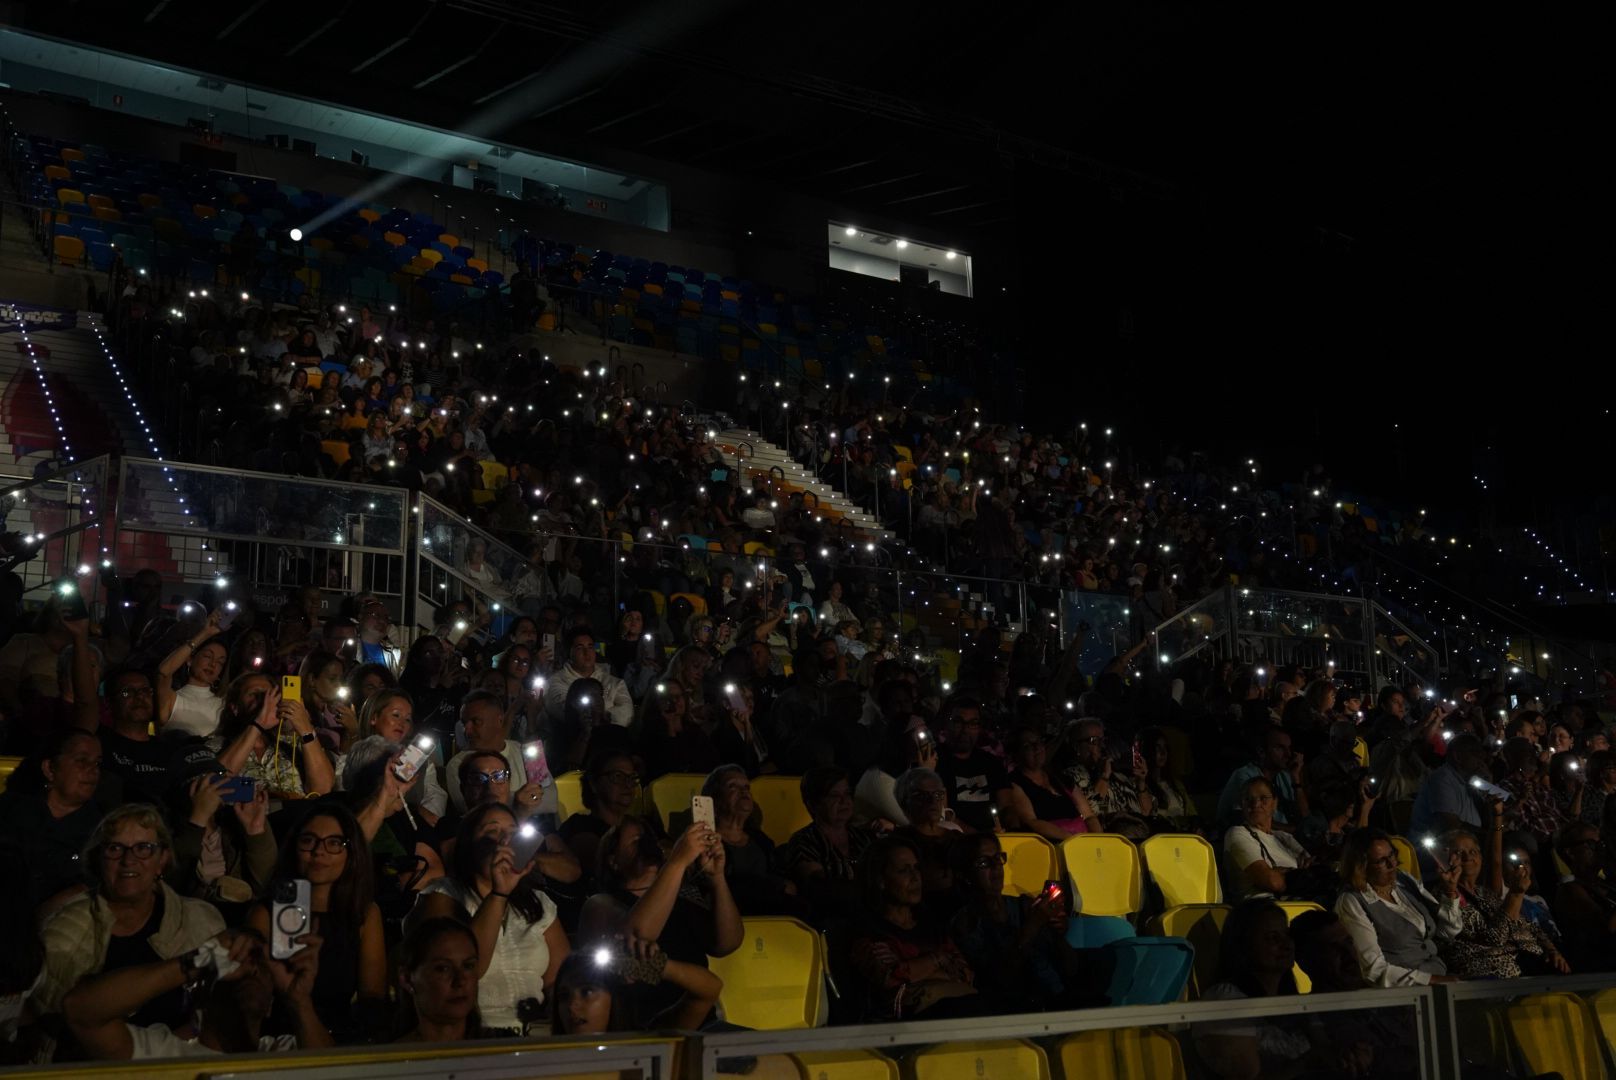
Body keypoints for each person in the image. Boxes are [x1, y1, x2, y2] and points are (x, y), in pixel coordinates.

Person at [34, 804, 226, 1022]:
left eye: (143, 848)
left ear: (162, 859)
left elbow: (218, 1013)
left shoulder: (202, 923)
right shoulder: (64, 930)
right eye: (115, 848)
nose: (128, 860)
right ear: (99, 858)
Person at [407, 803, 570, 1035]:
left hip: (534, 1033)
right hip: (476, 1033)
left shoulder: (538, 902)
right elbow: (469, 969)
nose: (504, 841)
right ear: (469, 844)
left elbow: (559, 980)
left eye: (513, 833)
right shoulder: (443, 895)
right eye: (492, 832)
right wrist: (498, 894)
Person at [63, 927, 330, 1058]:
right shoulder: (163, 1053)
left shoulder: (286, 1052)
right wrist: (194, 963)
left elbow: (338, 1074)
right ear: (200, 993)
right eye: (233, 962)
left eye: (261, 964)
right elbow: (80, 1010)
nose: (251, 971)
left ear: (271, 1005)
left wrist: (299, 1001)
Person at [245, 804, 386, 1041]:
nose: (319, 852)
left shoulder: (365, 914)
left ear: (351, 852)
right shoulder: (266, 913)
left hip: (339, 1041)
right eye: (309, 841)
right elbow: (251, 995)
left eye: (334, 843)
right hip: (276, 1039)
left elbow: (372, 997)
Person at [579, 818, 741, 1024]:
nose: (646, 845)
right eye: (636, 840)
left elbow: (728, 943)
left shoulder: (682, 901)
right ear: (613, 860)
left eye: (649, 840)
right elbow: (638, 937)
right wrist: (678, 862)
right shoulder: (601, 904)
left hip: (698, 1020)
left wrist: (717, 879)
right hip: (645, 1026)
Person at [1193, 899, 1367, 1080]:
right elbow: (1248, 1076)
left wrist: (1350, 1057)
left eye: (1287, 935)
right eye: (1272, 938)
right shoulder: (1224, 1000)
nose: (1286, 944)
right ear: (1243, 945)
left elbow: (1324, 1048)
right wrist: (1312, 1061)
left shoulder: (1297, 1003)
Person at [949, 833, 1093, 1010]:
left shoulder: (1023, 905)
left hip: (1056, 996)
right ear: (965, 875)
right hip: (1013, 1009)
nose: (996, 868)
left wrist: (1057, 934)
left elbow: (1071, 968)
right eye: (984, 863)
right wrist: (1033, 925)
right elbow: (999, 980)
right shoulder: (966, 923)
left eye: (998, 858)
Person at [847, 835, 980, 1021]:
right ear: (881, 881)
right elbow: (891, 980)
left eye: (917, 868)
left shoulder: (931, 923)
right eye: (904, 871)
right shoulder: (870, 931)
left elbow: (965, 973)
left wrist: (916, 973)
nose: (915, 877)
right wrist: (939, 959)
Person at [0, 726, 114, 911]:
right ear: (50, 768)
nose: (93, 771)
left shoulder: (104, 828)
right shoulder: (10, 810)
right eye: (82, 761)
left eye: (97, 763)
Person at [1334, 828, 1462, 986]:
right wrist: (1432, 980)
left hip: (1439, 974)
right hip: (1403, 992)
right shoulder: (1352, 901)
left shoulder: (1404, 881)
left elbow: (1448, 931)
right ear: (1362, 867)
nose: (1391, 864)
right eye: (1380, 861)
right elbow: (1373, 969)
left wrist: (1450, 890)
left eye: (1391, 855)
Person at [1433, 829, 1567, 978]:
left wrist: (1552, 950)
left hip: (1528, 962)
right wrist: (1516, 894)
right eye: (1458, 852)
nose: (1467, 857)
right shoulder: (1444, 895)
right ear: (1444, 859)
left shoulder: (1484, 893)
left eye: (1473, 851)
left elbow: (1526, 924)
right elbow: (1495, 938)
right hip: (1491, 974)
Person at [166, 748, 277, 907]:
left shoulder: (233, 825)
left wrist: (256, 832)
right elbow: (174, 884)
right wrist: (198, 820)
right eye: (202, 782)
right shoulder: (166, 830)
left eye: (217, 779)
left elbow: (263, 887)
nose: (212, 789)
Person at [552, 934, 723, 1035]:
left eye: (587, 991)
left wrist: (655, 966)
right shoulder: (543, 1060)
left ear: (615, 996)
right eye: (563, 996)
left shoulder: (648, 1042)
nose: (572, 1006)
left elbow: (710, 989)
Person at [780, 766, 877, 924]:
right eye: (834, 796)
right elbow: (819, 889)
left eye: (847, 794)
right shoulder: (804, 841)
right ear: (813, 804)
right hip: (832, 920)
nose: (844, 801)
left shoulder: (863, 837)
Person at [704, 764, 802, 916]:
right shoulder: (704, 840)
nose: (744, 791)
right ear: (714, 799)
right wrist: (774, 885)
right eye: (732, 786)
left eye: (746, 787)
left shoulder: (761, 840)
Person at [445, 691, 544, 815]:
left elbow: (550, 797)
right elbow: (472, 812)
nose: (467, 731)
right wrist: (521, 804)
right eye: (465, 723)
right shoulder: (457, 765)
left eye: (476, 722)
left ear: (499, 720)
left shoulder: (523, 750)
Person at [393, 917, 487, 1043]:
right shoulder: (389, 1058)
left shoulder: (506, 1049)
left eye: (468, 966)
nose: (460, 981)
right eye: (443, 968)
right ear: (407, 979)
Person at [1001, 725, 1102, 840]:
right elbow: (1031, 822)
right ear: (1016, 754)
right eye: (1027, 745)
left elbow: (1089, 816)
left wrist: (1097, 839)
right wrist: (1073, 841)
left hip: (1082, 840)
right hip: (1052, 843)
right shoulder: (1015, 783)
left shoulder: (1061, 778)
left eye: (1038, 742)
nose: (1036, 747)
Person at [1223, 777, 1313, 902]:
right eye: (1248, 799)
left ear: (1274, 803)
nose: (1256, 804)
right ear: (1242, 804)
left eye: (1263, 798)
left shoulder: (1284, 838)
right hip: (1261, 908)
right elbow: (1272, 881)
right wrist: (1298, 873)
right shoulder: (1238, 833)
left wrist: (1280, 872)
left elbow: (1313, 876)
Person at [559, 751, 643, 883]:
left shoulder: (644, 824)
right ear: (593, 783)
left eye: (632, 778)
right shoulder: (580, 826)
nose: (628, 784)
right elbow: (604, 863)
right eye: (617, 776)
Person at [933, 697, 1012, 833]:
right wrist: (977, 836)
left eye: (973, 723)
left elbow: (1006, 806)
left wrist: (1012, 830)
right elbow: (942, 814)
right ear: (947, 724)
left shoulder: (991, 762)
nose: (965, 730)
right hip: (953, 837)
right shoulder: (934, 761)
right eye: (958, 722)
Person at [1214, 722, 1305, 830]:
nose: (1288, 754)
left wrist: (1296, 779)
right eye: (1280, 748)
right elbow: (1252, 820)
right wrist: (1295, 831)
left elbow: (1304, 816)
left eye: (1289, 748)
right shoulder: (1245, 776)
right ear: (1261, 751)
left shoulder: (1285, 777)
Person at [1553, 821, 1616, 971]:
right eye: (1591, 844)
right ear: (1570, 852)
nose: (1599, 850)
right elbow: (1608, 928)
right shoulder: (1569, 890)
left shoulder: (1605, 884)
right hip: (1597, 968)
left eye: (1601, 844)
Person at [155, 611, 228, 737]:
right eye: (207, 656)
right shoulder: (173, 699)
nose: (213, 664)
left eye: (220, 662)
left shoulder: (223, 704)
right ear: (190, 660)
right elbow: (163, 672)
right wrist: (205, 633)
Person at [544, 628, 633, 727]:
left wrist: (602, 716)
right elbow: (567, 712)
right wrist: (604, 715)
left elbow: (627, 712)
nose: (586, 653)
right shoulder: (555, 682)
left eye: (590, 647)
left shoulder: (614, 682)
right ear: (569, 652)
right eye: (579, 648)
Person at [635, 679, 720, 781]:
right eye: (669, 697)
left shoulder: (696, 733)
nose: (675, 701)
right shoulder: (649, 735)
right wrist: (670, 724)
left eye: (679, 696)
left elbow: (712, 763)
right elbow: (668, 766)